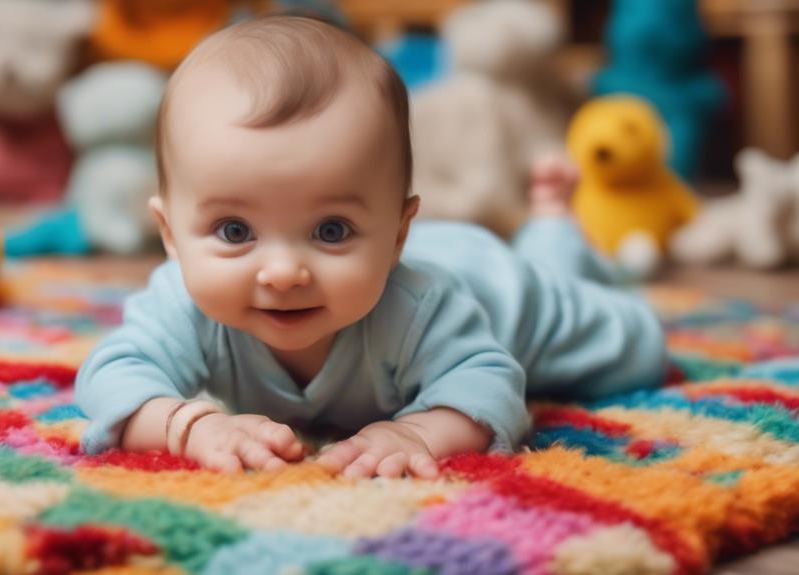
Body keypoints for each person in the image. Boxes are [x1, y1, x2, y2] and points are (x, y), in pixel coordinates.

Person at [75, 15, 666, 479]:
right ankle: (548, 223)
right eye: (235, 232)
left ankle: (555, 231)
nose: (282, 272)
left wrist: (418, 433)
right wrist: (186, 427)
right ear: (171, 236)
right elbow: (112, 375)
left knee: (638, 348)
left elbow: (492, 384)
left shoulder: (425, 308)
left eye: (331, 230)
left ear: (398, 234)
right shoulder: (181, 304)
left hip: (499, 288)